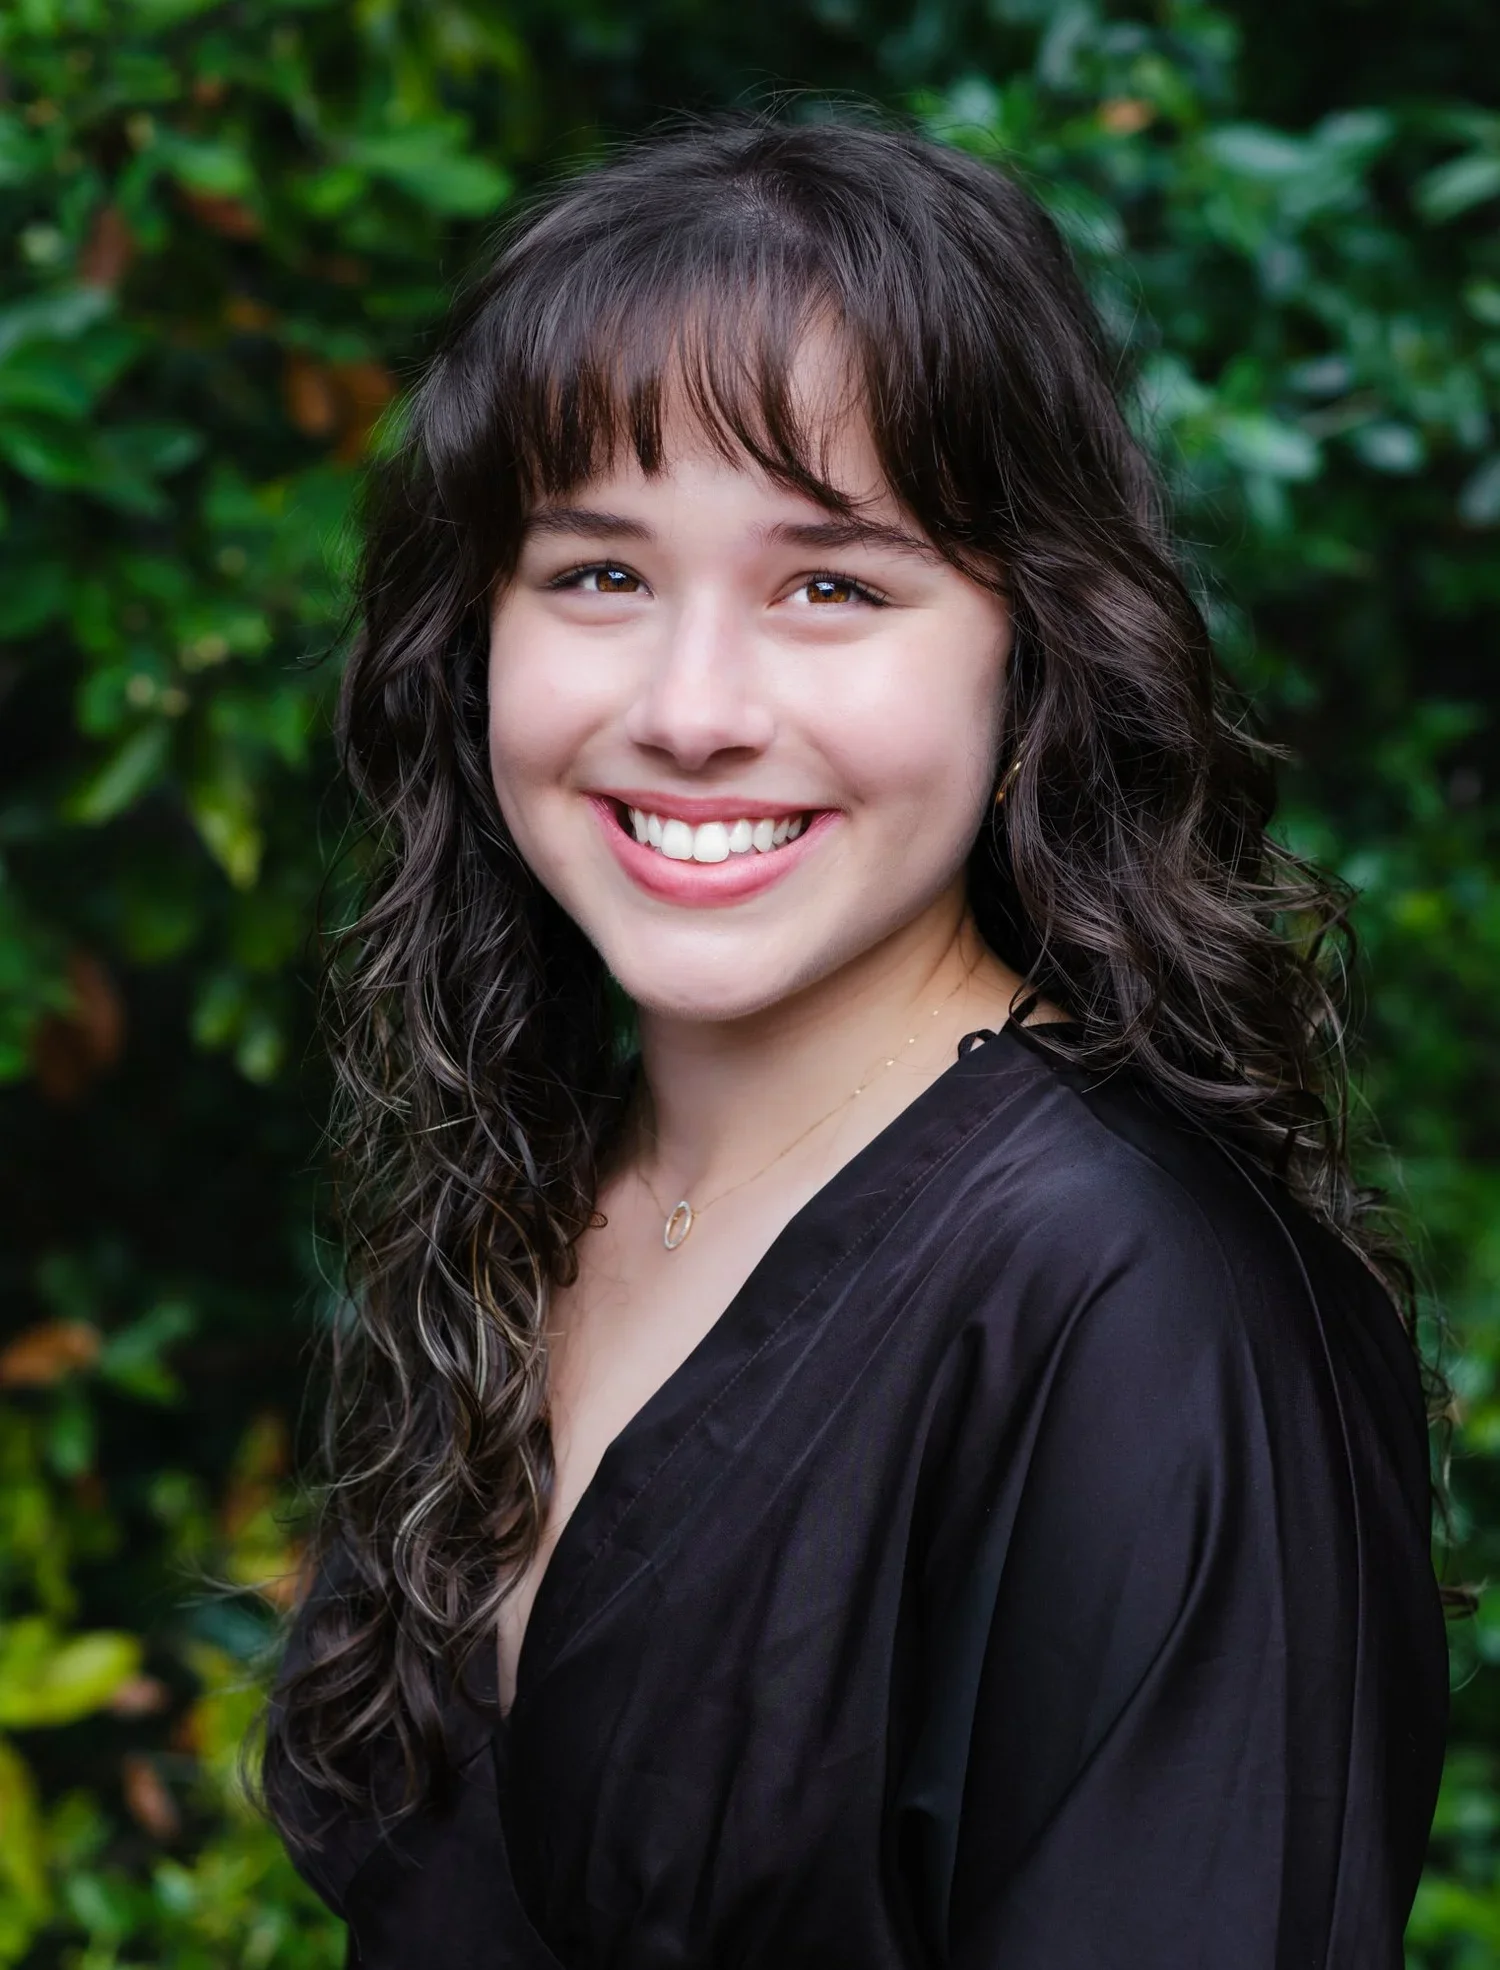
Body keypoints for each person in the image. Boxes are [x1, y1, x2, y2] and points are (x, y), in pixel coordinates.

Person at [261, 114, 1449, 1967]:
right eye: (599, 573)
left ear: (1032, 653)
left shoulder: (1140, 1309)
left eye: (833, 584)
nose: (693, 710)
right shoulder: (528, 1184)